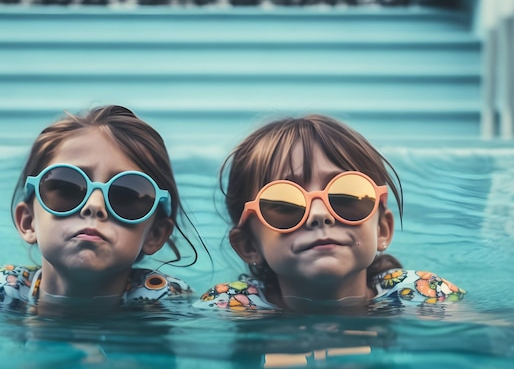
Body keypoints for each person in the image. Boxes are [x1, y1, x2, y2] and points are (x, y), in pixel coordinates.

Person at [194, 114, 466, 312]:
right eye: (285, 204)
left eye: (345, 197)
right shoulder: (232, 305)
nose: (319, 215)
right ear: (249, 245)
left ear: (382, 230)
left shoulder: (423, 294)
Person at [0, 105, 199, 314]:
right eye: (67, 187)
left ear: (155, 234)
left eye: (126, 194)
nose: (94, 206)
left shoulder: (165, 299)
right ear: (28, 222)